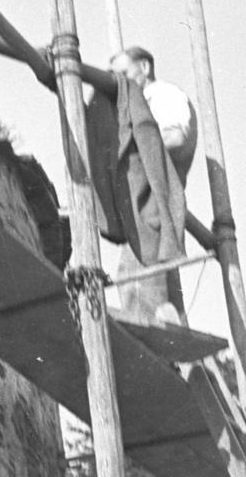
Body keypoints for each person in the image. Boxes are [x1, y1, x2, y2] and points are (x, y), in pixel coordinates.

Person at [84, 45, 197, 324]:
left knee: (137, 282)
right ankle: (182, 356)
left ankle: (161, 339)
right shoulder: (137, 100)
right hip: (145, 203)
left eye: (123, 73)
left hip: (153, 202)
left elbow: (176, 137)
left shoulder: (162, 95)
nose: (118, 81)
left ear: (144, 67)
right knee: (158, 289)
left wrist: (141, 149)